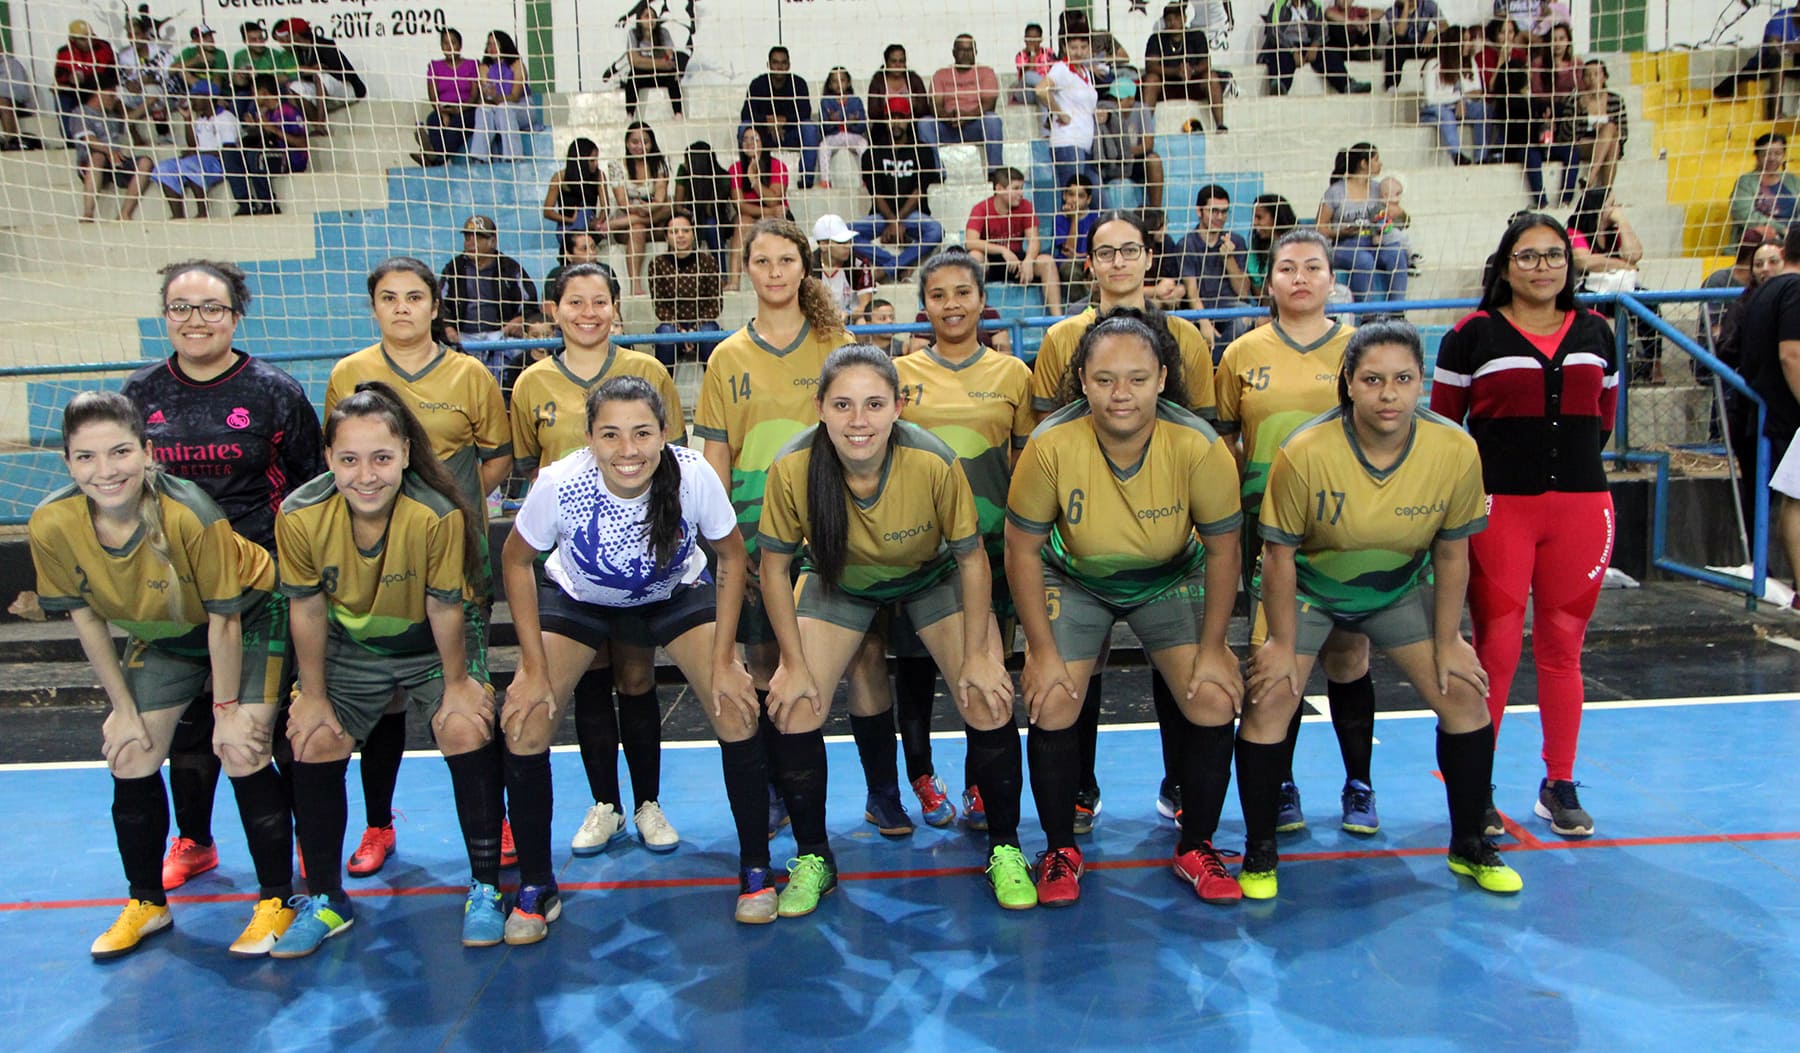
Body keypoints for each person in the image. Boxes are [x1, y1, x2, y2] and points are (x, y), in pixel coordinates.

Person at [1242, 321, 1518, 898]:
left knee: (1464, 694)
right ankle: (1261, 850)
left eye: (1402, 379)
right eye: (1372, 379)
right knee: (1270, 698)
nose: (1388, 394)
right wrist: (1281, 645)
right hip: (1309, 589)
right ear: (1347, 383)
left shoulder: (1455, 449)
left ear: (1421, 382)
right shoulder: (1305, 450)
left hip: (1395, 590)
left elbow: (1452, 551)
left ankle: (1469, 843)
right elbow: (1278, 555)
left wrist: (1449, 639)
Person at [31, 392, 295, 958]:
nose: (106, 471)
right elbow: (87, 619)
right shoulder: (52, 523)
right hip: (167, 636)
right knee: (130, 752)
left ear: (148, 453)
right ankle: (146, 903)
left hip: (246, 617)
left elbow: (224, 620)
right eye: (87, 458)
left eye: (120, 452)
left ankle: (277, 899)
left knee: (243, 749)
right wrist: (122, 709)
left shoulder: (188, 512)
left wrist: (225, 712)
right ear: (68, 463)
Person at [759, 345, 1018, 912]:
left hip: (932, 577)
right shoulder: (793, 466)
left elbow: (973, 559)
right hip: (839, 582)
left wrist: (978, 654)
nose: (859, 421)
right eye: (844, 405)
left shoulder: (932, 460)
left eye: (874, 404)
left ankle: (1006, 848)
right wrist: (794, 663)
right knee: (795, 703)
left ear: (899, 406)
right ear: (819, 407)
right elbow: (774, 570)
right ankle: (813, 856)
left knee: (988, 693)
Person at [1006, 310, 1245, 906]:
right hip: (1077, 576)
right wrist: (1038, 650)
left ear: (1163, 378)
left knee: (1213, 696)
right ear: (1081, 380)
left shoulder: (1197, 444)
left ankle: (1196, 845)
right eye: (1105, 378)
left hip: (1169, 577)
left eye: (1137, 378)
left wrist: (1215, 649)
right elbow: (1022, 549)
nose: (1121, 393)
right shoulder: (1050, 444)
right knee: (1053, 698)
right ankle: (1060, 847)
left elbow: (1223, 551)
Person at [504, 375, 757, 931]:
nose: (628, 450)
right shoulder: (560, 482)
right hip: (582, 595)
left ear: (665, 433)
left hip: (671, 590)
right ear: (590, 438)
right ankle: (535, 884)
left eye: (642, 433)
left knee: (735, 707)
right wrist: (531, 667)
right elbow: (515, 559)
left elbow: (733, 559)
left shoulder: (692, 476)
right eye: (611, 435)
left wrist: (722, 663)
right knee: (525, 721)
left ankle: (756, 871)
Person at [269, 381, 507, 956]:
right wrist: (315, 695)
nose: (365, 474)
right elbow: (306, 607)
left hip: (433, 643)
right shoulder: (299, 514)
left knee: (464, 726)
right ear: (328, 459)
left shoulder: (437, 514)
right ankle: (327, 899)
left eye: (381, 457)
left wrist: (456, 687)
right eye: (348, 459)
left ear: (404, 452)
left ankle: (486, 887)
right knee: (312, 735)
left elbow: (444, 605)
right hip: (353, 647)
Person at [122, 261, 325, 896]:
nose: (196, 320)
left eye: (210, 308)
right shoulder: (140, 395)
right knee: (188, 727)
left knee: (262, 728)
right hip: (173, 592)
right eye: (181, 307)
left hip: (257, 587)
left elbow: (306, 489)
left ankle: (297, 837)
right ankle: (196, 840)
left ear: (236, 315)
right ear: (165, 315)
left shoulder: (274, 392)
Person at [1028, 212, 1220, 828]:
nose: (1117, 261)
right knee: (1081, 663)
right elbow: (1046, 438)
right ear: (1088, 263)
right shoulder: (1063, 338)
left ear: (1147, 257)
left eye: (1128, 250)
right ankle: (1078, 787)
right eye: (1104, 252)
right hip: (1084, 537)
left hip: (1167, 532)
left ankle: (1180, 781)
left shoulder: (1186, 339)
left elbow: (1204, 433)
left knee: (1178, 665)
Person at [325, 258, 514, 878]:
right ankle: (379, 824)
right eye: (388, 297)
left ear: (436, 307)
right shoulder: (349, 375)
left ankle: (498, 820)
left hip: (456, 563)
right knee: (380, 706)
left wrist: (446, 509)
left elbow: (495, 461)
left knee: (470, 693)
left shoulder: (470, 375)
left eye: (414, 297)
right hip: (371, 570)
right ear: (373, 306)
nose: (402, 307)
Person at [1431, 213, 1617, 840]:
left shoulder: (1598, 331)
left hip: (1581, 511)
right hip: (1499, 512)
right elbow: (1445, 431)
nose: (1543, 267)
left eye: (1554, 255)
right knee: (1498, 653)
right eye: (1528, 256)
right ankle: (1477, 789)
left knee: (1564, 651)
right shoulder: (1470, 335)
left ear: (1570, 263)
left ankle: (1558, 783)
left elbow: (1604, 418)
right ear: (1505, 264)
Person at [509, 266, 687, 861]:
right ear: (554, 309)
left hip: (640, 561)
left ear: (617, 308)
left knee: (636, 678)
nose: (588, 312)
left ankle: (648, 804)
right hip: (574, 565)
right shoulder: (530, 383)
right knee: (589, 678)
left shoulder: (648, 373)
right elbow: (528, 465)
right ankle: (605, 804)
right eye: (575, 302)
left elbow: (673, 463)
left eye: (600, 301)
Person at [1214, 228, 1374, 835]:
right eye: (1287, 268)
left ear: (1332, 279)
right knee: (1275, 654)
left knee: (1347, 651)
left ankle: (1359, 783)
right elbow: (1226, 441)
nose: (1300, 277)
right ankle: (1280, 784)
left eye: (1313, 267)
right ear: (1270, 281)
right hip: (1267, 529)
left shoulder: (1361, 348)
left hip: (1345, 525)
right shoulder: (1240, 354)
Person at [692, 218, 850, 788]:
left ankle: (882, 793)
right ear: (747, 269)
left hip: (829, 521)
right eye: (763, 261)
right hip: (756, 531)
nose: (775, 272)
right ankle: (780, 788)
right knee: (764, 660)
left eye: (786, 260)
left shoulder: (837, 345)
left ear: (805, 267)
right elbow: (716, 454)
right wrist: (725, 536)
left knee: (853, 656)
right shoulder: (727, 357)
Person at [890, 251, 1034, 832]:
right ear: (923, 305)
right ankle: (922, 776)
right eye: (938, 295)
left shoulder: (1013, 375)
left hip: (992, 551)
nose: (951, 305)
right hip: (917, 552)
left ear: (981, 300)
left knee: (987, 667)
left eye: (962, 293)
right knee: (916, 666)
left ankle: (980, 784)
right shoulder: (899, 376)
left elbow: (1026, 468)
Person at [437, 215, 540, 374]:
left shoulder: (509, 268)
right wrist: (448, 328)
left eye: (477, 238)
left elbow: (530, 303)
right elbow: (440, 303)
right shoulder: (454, 269)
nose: (470, 242)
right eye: (467, 237)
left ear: (493, 241)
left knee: (520, 353)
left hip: (500, 335)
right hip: (464, 335)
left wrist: (520, 320)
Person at [1318, 142, 1409, 315]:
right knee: (1363, 260)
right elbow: (1319, 227)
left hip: (1375, 241)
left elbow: (1402, 221)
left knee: (1396, 253)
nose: (1380, 164)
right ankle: (1368, 316)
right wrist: (1341, 232)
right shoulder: (1336, 191)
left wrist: (1400, 214)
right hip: (1345, 244)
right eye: (1376, 159)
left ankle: (1397, 313)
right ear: (1363, 163)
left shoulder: (1380, 188)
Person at [852, 116, 944, 282]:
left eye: (900, 117)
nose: (896, 122)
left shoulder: (922, 150)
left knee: (936, 230)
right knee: (842, 234)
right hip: (881, 217)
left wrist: (897, 221)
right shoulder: (873, 153)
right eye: (891, 117)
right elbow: (876, 194)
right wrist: (892, 222)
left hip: (913, 215)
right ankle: (897, 265)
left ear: (908, 121)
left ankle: (888, 268)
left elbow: (919, 191)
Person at [964, 166, 1063, 314]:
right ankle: (973, 314)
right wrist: (1003, 250)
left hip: (1017, 260)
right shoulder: (981, 208)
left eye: (1021, 188)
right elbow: (970, 242)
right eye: (1016, 188)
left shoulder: (1026, 206)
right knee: (975, 257)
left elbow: (1034, 240)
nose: (1021, 193)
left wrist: (1029, 259)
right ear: (999, 188)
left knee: (1047, 262)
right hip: (992, 260)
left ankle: (1057, 322)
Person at [151, 82, 240, 221]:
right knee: (164, 168)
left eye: (196, 96)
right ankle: (178, 215)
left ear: (209, 97)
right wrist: (187, 119)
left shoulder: (226, 117)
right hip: (200, 161)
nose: (192, 100)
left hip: (219, 163)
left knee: (190, 163)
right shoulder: (201, 119)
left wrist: (197, 154)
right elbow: (193, 145)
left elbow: (228, 150)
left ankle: (203, 212)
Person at [605, 121, 673, 297]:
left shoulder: (660, 163)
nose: (640, 146)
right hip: (629, 220)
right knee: (637, 228)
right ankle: (635, 284)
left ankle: (616, 223)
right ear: (627, 143)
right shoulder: (617, 165)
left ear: (652, 143)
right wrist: (639, 211)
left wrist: (649, 208)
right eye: (635, 142)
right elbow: (622, 202)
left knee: (669, 205)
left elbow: (660, 198)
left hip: (656, 217)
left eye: (645, 141)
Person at [69, 82, 153, 222]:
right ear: (98, 93)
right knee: (98, 156)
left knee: (145, 162)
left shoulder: (111, 115)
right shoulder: (81, 112)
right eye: (111, 94)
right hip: (91, 164)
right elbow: (89, 140)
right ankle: (88, 213)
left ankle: (124, 213)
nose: (115, 98)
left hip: (116, 161)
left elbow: (129, 118)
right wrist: (108, 151)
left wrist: (148, 102)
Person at [1178, 184, 1252, 344]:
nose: (1220, 217)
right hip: (1199, 306)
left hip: (1227, 305)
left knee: (1246, 315)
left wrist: (1229, 258)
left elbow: (1243, 293)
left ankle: (1219, 359)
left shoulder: (1236, 241)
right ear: (1199, 211)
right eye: (1214, 211)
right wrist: (1204, 323)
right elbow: (1192, 293)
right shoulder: (1186, 244)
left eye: (1224, 212)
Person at [650, 210, 725, 365]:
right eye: (674, 232)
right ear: (666, 236)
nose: (680, 235)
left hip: (703, 323)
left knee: (708, 333)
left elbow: (716, 304)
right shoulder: (657, 264)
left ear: (693, 233)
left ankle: (713, 387)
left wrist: (694, 331)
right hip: (672, 325)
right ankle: (663, 388)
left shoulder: (708, 261)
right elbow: (660, 306)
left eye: (685, 230)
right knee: (666, 334)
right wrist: (681, 332)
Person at [741, 47, 818, 188]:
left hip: (790, 134)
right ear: (768, 65)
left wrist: (784, 121)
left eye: (783, 63)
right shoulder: (757, 84)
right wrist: (767, 121)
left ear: (788, 65)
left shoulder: (799, 84)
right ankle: (748, 179)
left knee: (810, 128)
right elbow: (746, 113)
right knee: (744, 127)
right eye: (775, 62)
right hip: (764, 136)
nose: (779, 67)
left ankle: (806, 181)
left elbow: (805, 112)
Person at [726, 126, 791, 290]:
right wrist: (769, 212)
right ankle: (734, 281)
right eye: (745, 139)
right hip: (751, 214)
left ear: (763, 142)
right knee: (743, 223)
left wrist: (754, 180)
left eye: (754, 139)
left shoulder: (778, 166)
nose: (749, 143)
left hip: (775, 216)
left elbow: (772, 200)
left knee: (770, 222)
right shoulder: (735, 169)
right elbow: (740, 205)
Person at [1143, 3, 1226, 131]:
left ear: (1185, 19)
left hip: (1192, 83)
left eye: (1176, 18)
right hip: (1167, 85)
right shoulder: (1156, 39)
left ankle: (1220, 125)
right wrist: (1176, 71)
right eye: (1169, 19)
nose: (1172, 22)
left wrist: (1191, 70)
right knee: (1151, 79)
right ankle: (1145, 129)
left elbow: (1205, 63)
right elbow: (1151, 66)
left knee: (1211, 76)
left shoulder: (1197, 36)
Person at [928, 35, 1004, 171]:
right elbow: (935, 105)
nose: (966, 54)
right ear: (954, 53)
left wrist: (967, 116)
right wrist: (950, 117)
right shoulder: (941, 74)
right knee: (925, 124)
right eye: (961, 50)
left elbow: (989, 104)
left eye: (969, 50)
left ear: (975, 52)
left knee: (992, 119)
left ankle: (995, 172)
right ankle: (937, 172)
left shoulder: (986, 72)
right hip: (948, 126)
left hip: (975, 126)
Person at [235, 75, 307, 216]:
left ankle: (269, 203)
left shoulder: (288, 111)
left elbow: (303, 144)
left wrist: (274, 130)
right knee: (236, 155)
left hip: (292, 159)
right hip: (274, 154)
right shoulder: (266, 114)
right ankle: (246, 203)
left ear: (263, 92)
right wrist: (255, 128)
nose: (254, 97)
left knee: (256, 157)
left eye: (255, 93)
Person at [1038, 32, 1099, 197]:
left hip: (1085, 145)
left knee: (1098, 203)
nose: (1078, 52)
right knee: (1072, 202)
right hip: (1068, 143)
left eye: (1083, 47)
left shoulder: (1086, 72)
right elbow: (1041, 90)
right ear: (1065, 48)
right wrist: (1060, 112)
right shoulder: (1061, 69)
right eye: (1073, 48)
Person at [1093, 72, 1165, 212]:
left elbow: (1147, 144)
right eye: (1112, 99)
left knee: (1154, 160)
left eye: (1119, 99)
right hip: (1113, 161)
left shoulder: (1141, 109)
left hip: (1133, 159)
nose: (1114, 103)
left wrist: (1126, 152)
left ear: (1131, 100)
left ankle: (1156, 211)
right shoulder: (1105, 111)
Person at [272, 17, 366, 119]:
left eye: (286, 35)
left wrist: (321, 71)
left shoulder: (324, 45)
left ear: (296, 35)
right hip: (324, 90)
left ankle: (321, 122)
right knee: (293, 86)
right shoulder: (299, 50)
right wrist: (308, 70)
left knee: (319, 76)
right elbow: (304, 72)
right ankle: (314, 124)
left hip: (347, 88)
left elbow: (344, 74)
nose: (284, 40)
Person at [1555, 58, 1625, 192]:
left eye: (1596, 74)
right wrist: (1580, 111)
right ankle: (1606, 194)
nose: (1592, 79)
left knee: (1612, 136)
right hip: (1582, 144)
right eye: (1587, 75)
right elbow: (1566, 134)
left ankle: (1591, 179)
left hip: (1609, 143)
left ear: (1604, 77)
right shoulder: (1575, 100)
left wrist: (1602, 131)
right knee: (1611, 139)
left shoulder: (1616, 100)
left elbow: (1623, 133)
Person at [1418, 35, 1488, 165]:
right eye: (1465, 40)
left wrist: (1460, 99)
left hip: (1458, 106)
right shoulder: (1433, 64)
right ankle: (1457, 155)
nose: (1469, 44)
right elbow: (1430, 99)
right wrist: (1458, 98)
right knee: (1445, 114)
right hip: (1433, 111)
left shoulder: (1469, 62)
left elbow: (1477, 92)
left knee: (1483, 109)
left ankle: (1481, 158)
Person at [413, 28, 478, 166]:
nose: (449, 47)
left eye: (453, 43)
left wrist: (458, 109)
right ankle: (434, 157)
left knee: (457, 124)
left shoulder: (472, 65)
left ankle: (432, 155)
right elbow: (433, 96)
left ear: (460, 45)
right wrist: (442, 112)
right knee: (433, 119)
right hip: (444, 109)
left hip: (466, 109)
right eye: (445, 43)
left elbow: (474, 95)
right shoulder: (435, 66)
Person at [1730, 132, 1800, 246]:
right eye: (1766, 154)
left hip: (1793, 240)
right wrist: (1781, 230)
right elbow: (1744, 214)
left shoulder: (1793, 181)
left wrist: (1794, 233)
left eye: (1777, 153)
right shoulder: (1745, 182)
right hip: (1759, 241)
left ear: (1783, 155)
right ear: (1757, 156)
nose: (1772, 158)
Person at [468, 30, 528, 161]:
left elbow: (515, 96)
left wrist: (496, 97)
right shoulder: (485, 67)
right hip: (496, 107)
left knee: (504, 108)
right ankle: (479, 157)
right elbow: (486, 95)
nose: (491, 48)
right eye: (489, 44)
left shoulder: (517, 65)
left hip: (522, 107)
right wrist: (488, 97)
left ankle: (513, 156)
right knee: (483, 110)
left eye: (495, 44)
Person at [54, 18, 118, 141]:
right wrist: (69, 78)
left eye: (91, 36)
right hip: (76, 90)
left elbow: (109, 75)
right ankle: (70, 139)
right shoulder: (64, 52)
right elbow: (60, 76)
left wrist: (84, 78)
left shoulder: (103, 47)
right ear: (72, 39)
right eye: (83, 39)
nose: (88, 41)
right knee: (61, 95)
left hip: (98, 88)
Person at [676, 139, 735, 269]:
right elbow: (678, 205)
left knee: (711, 226)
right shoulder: (684, 172)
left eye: (687, 160)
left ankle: (721, 274)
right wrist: (687, 213)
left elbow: (711, 210)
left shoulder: (722, 177)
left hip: (715, 217)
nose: (685, 164)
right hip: (690, 215)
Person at [622, 2, 687, 118]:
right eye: (647, 16)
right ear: (639, 20)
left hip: (660, 74)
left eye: (653, 16)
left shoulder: (663, 33)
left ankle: (678, 113)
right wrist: (659, 62)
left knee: (673, 77)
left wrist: (648, 62)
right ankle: (629, 115)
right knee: (632, 77)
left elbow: (669, 58)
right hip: (642, 74)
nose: (651, 19)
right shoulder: (633, 34)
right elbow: (634, 61)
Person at [116, 13, 173, 143]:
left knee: (152, 88)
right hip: (138, 95)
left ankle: (163, 134)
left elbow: (170, 76)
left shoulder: (160, 51)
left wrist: (153, 80)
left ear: (144, 34)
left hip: (161, 94)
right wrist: (128, 84)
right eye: (130, 35)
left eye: (137, 34)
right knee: (118, 92)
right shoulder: (124, 55)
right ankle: (133, 133)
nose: (134, 38)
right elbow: (123, 77)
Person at [813, 213, 875, 325]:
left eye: (849, 241)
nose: (848, 246)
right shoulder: (808, 266)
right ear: (823, 245)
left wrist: (848, 315)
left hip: (851, 318)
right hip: (818, 320)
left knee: (862, 322)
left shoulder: (858, 263)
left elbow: (866, 305)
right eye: (841, 242)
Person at [1049, 175, 1100, 308]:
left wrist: (1080, 256)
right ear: (1064, 196)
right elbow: (1068, 250)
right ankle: (1080, 309)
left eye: (1080, 196)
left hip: (1090, 260)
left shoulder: (1096, 218)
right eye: (1071, 194)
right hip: (1068, 263)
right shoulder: (1059, 218)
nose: (1074, 200)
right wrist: (1074, 219)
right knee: (1071, 270)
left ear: (1089, 199)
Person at [542, 137, 610, 233]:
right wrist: (571, 220)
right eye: (592, 161)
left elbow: (606, 207)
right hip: (567, 229)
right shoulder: (559, 177)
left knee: (585, 211)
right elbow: (547, 212)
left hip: (590, 227)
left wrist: (598, 223)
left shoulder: (599, 176)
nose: (596, 164)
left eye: (596, 160)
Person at [228, 21, 297, 115]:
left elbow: (282, 78)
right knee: (237, 102)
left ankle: (255, 127)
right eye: (254, 39)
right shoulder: (239, 56)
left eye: (261, 38)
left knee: (254, 106)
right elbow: (238, 83)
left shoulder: (274, 54)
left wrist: (257, 77)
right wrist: (242, 76)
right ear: (245, 41)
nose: (259, 42)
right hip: (249, 91)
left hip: (269, 92)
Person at [817, 67, 868, 190]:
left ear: (848, 82)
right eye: (834, 81)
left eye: (842, 80)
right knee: (823, 147)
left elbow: (862, 125)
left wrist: (852, 123)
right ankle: (825, 180)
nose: (839, 84)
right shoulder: (825, 102)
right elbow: (824, 128)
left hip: (853, 135)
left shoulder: (855, 101)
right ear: (830, 85)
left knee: (864, 145)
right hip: (834, 135)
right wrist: (832, 121)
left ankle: (866, 179)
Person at [1381, 0, 1444, 91]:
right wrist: (1406, 6)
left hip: (1423, 46)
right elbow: (1399, 33)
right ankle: (1392, 86)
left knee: (1441, 38)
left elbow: (1445, 25)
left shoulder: (1428, 5)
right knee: (1394, 42)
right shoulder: (1391, 11)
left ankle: (1444, 81)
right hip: (1404, 49)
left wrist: (1432, 32)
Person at [1247, 192, 1298, 294]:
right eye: (1254, 217)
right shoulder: (1255, 247)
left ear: (1276, 217)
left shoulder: (1300, 244)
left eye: (1259, 217)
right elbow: (1258, 289)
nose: (1254, 223)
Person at [0, 36, 43, 150]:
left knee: (2, 100)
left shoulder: (11, 64)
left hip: (17, 104)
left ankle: (11, 140)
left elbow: (19, 93)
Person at [1012, 22, 1056, 123]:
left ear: (1040, 39)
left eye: (1035, 38)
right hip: (1025, 91)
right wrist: (1032, 54)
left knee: (1041, 94)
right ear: (1025, 39)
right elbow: (1027, 75)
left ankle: (1045, 135)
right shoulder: (1020, 55)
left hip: (1043, 91)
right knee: (1029, 75)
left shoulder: (1049, 53)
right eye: (1029, 38)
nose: (1031, 41)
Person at [170, 25, 228, 97]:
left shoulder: (220, 54)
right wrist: (195, 61)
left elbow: (218, 81)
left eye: (211, 36)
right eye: (204, 37)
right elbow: (170, 71)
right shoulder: (188, 52)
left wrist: (215, 97)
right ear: (195, 41)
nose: (210, 39)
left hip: (217, 94)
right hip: (194, 93)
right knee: (182, 72)